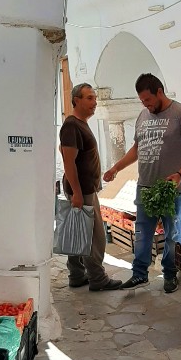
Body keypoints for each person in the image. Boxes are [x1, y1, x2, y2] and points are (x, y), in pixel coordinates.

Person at [103, 73, 181, 293]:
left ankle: (169, 274)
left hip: (173, 190)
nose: (146, 105)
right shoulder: (143, 116)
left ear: (159, 92)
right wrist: (116, 168)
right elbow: (137, 149)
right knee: (142, 233)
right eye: (142, 101)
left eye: (148, 100)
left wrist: (179, 174)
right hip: (146, 186)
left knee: (172, 234)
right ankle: (140, 274)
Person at [59, 83, 121, 291]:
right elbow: (68, 161)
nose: (94, 103)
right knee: (95, 236)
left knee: (77, 232)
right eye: (89, 98)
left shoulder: (80, 124)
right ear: (76, 99)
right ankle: (97, 278)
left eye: (94, 98)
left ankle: (76, 275)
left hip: (84, 189)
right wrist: (76, 192)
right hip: (82, 191)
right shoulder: (72, 126)